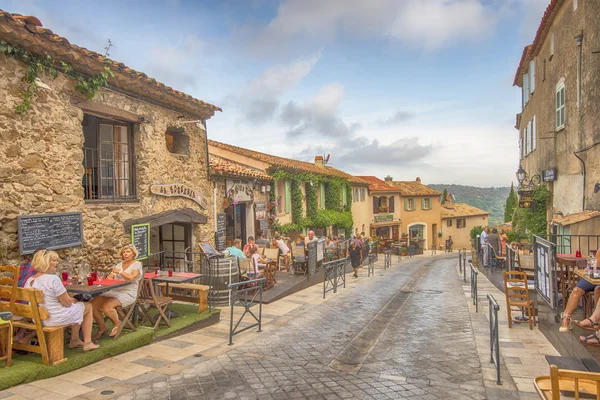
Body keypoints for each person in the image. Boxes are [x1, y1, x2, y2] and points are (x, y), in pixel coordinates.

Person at [25, 250, 99, 351]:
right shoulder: (53, 279)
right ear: (46, 262)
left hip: (39, 318)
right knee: (88, 306)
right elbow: (67, 303)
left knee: (78, 306)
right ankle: (88, 342)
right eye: (54, 261)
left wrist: (71, 301)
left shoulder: (30, 280)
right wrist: (71, 300)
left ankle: (75, 340)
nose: (56, 263)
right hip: (54, 317)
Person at [91, 244, 143, 339]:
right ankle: (103, 327)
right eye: (124, 252)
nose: (125, 254)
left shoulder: (137, 264)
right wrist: (115, 275)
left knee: (106, 307)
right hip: (115, 290)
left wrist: (119, 272)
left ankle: (117, 323)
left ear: (133, 254)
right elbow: (109, 278)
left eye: (128, 252)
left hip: (128, 292)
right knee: (92, 305)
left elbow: (132, 278)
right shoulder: (119, 265)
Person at [562, 250, 600, 333]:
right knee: (576, 290)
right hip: (596, 277)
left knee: (598, 289)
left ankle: (596, 322)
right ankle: (566, 319)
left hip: (597, 282)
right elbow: (597, 267)